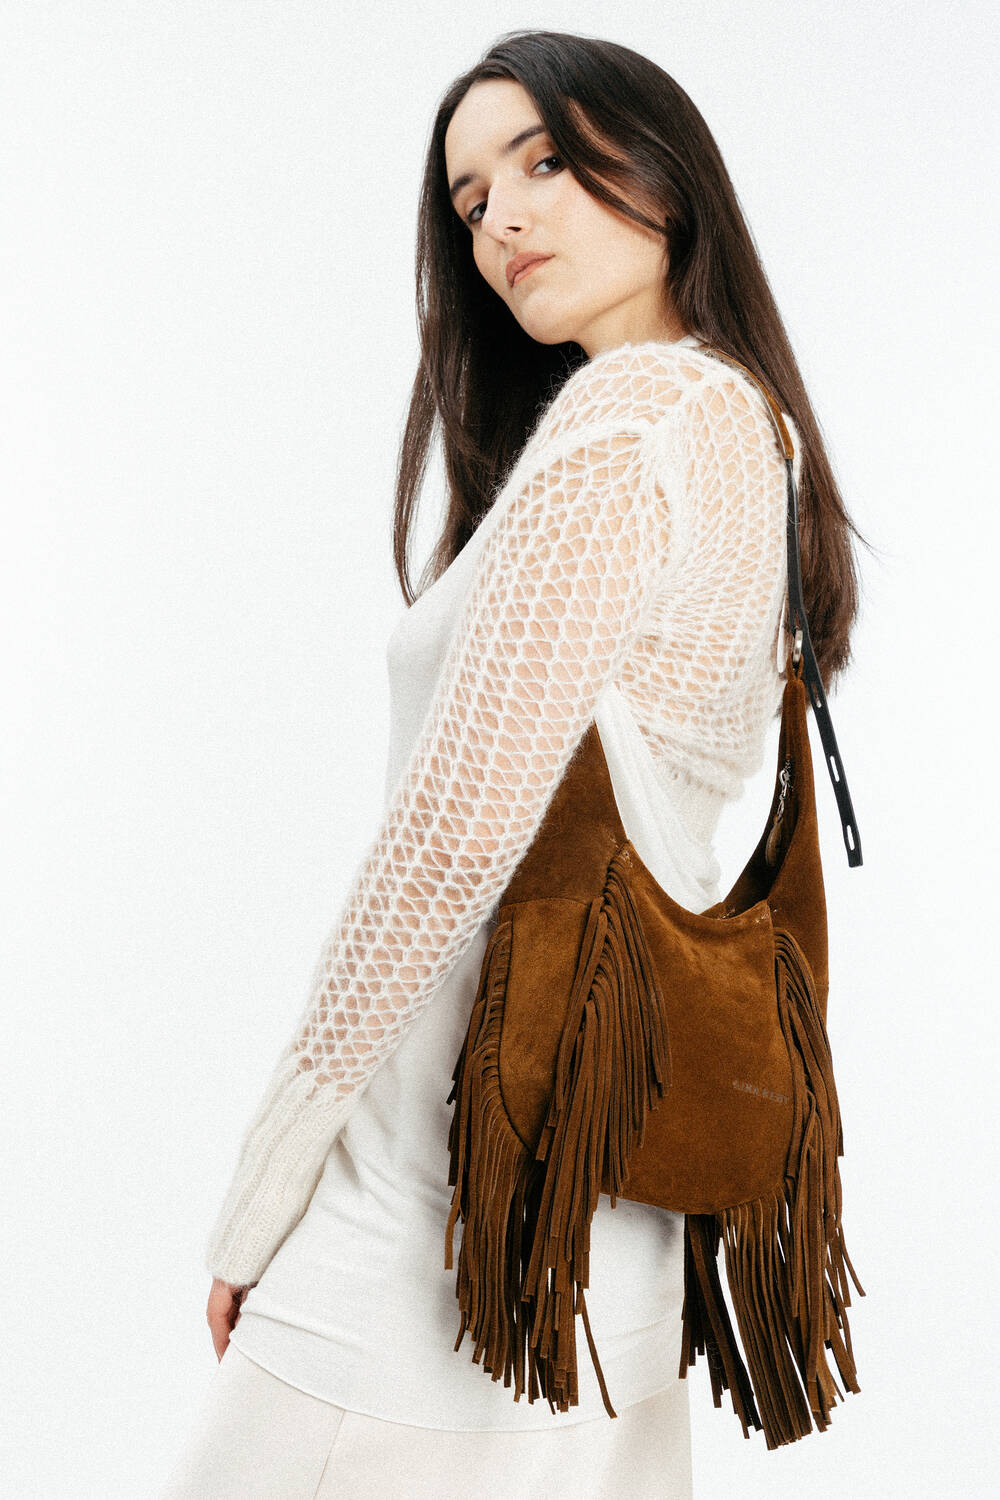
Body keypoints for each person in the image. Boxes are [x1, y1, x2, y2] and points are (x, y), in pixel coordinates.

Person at [161, 27, 863, 1500]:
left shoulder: (632, 417)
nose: (505, 222)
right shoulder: (757, 429)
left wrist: (268, 1177)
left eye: (544, 161)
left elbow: (452, 837)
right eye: (472, 203)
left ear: (665, 168)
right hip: (610, 1213)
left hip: (441, 1221)